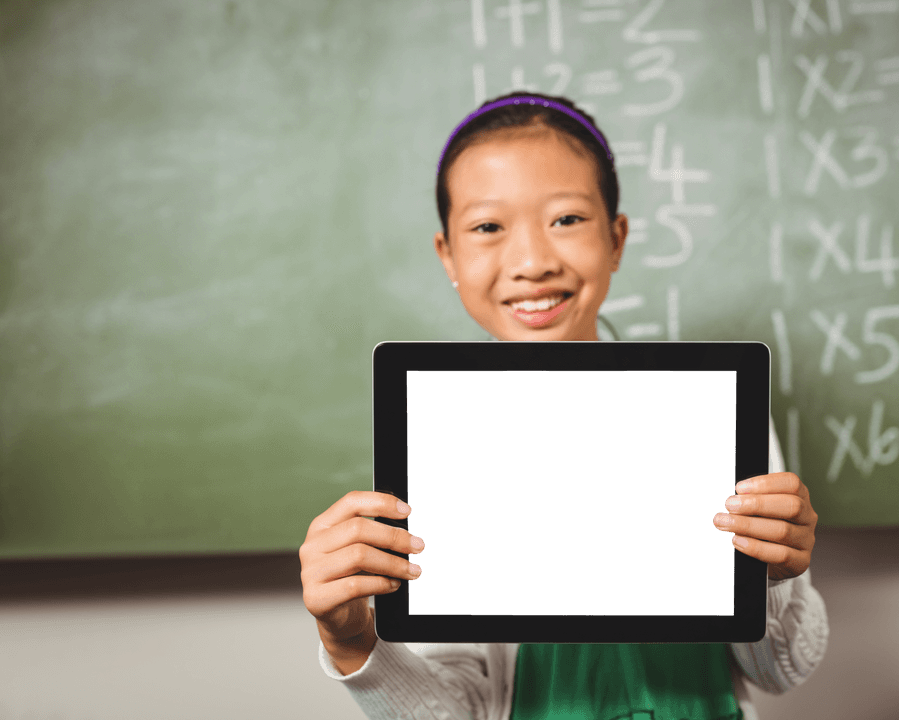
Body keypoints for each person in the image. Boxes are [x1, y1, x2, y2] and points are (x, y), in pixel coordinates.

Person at [300, 92, 828, 720]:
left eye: (567, 220)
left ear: (617, 237)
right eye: (488, 227)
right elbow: (456, 712)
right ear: (448, 254)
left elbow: (782, 670)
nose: (532, 262)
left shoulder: (716, 407)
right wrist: (351, 641)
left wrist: (775, 579)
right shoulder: (436, 436)